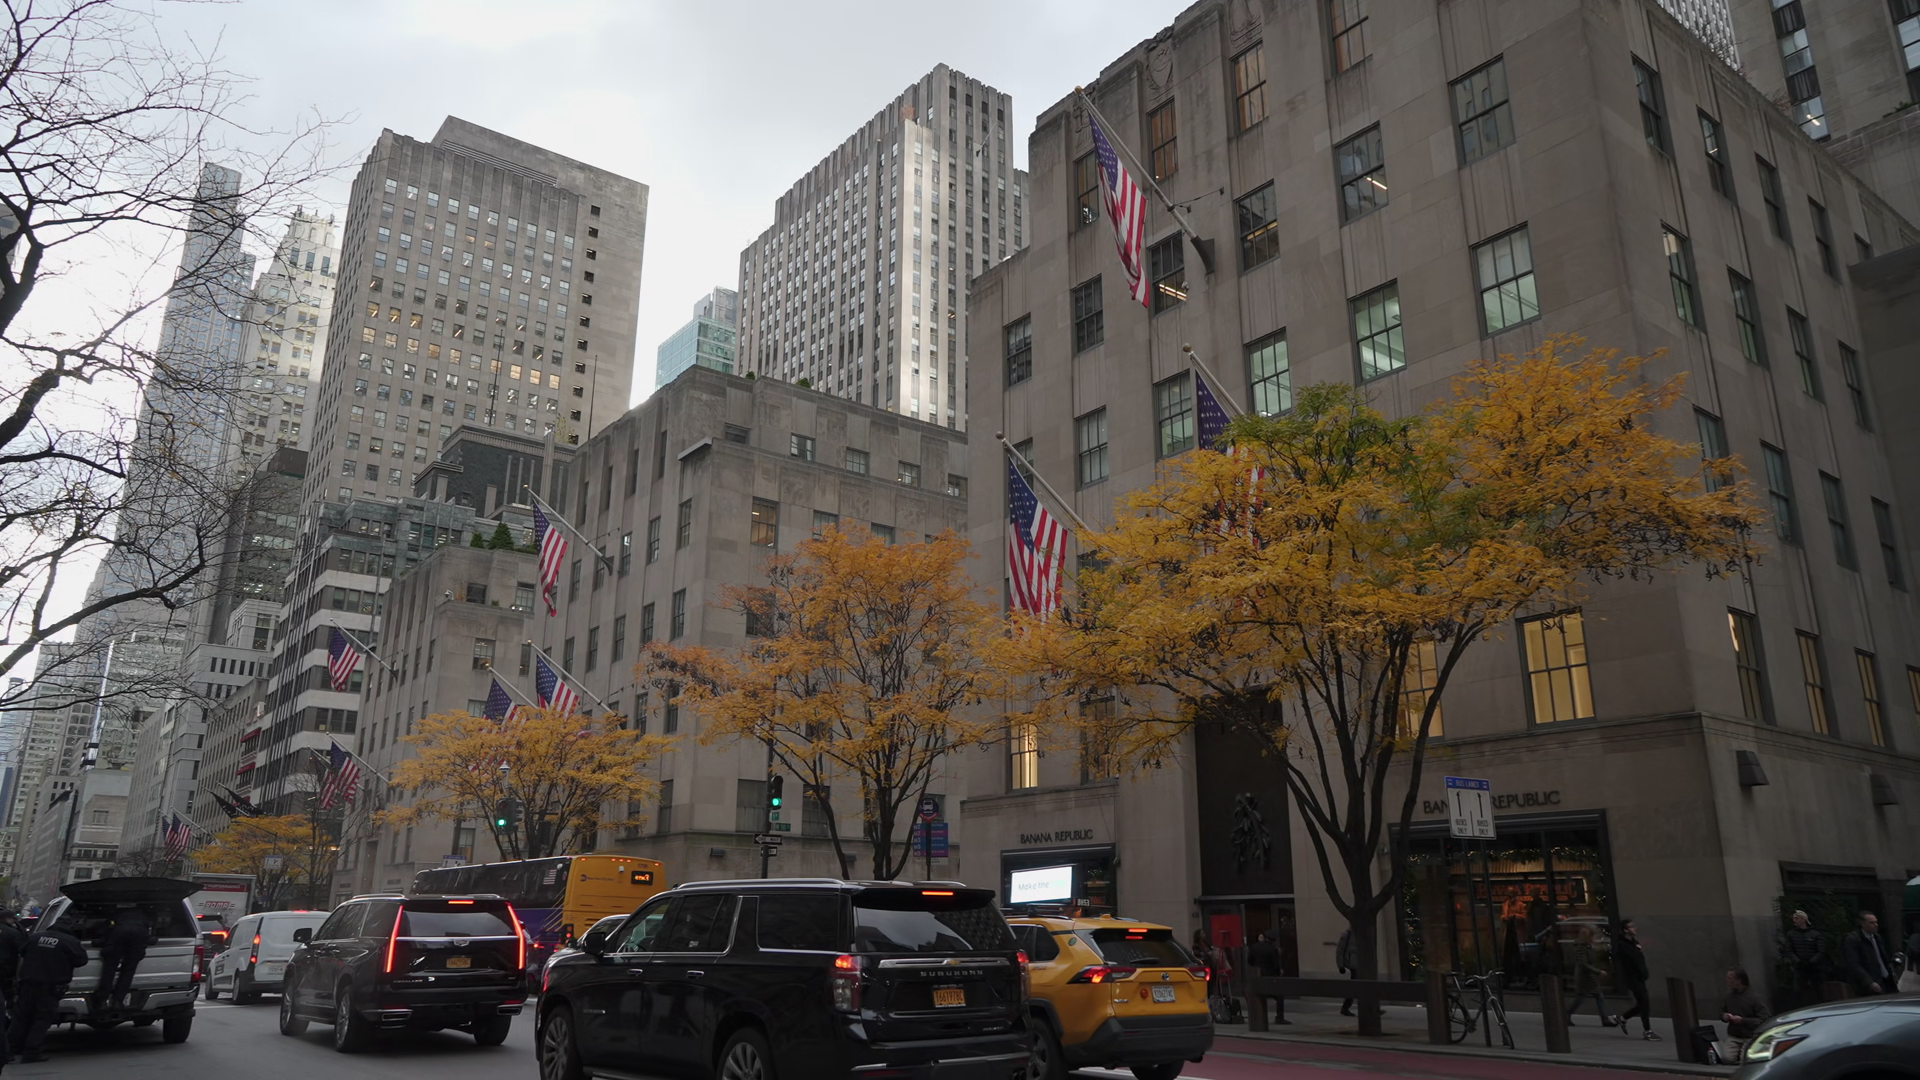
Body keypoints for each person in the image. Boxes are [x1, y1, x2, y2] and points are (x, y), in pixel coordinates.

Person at [9, 918, 86, 1064]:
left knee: (20, 1018)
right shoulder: (70, 941)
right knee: (42, 1018)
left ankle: (8, 1051)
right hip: (50, 986)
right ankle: (32, 1052)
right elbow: (81, 960)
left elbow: (22, 951)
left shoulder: (35, 938)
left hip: (28, 984)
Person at [1607, 918, 1660, 1041]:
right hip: (1632, 978)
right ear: (1625, 930)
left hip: (1639, 977)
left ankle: (1622, 1018)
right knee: (1644, 1003)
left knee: (1643, 1003)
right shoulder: (1623, 945)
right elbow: (1631, 959)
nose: (1634, 928)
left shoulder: (1633, 942)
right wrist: (1637, 950)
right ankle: (1647, 1031)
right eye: (1631, 927)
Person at [93, 906, 150, 1012]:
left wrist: (102, 942)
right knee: (128, 970)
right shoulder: (144, 916)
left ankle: (102, 1001)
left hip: (119, 933)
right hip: (139, 934)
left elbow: (105, 931)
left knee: (109, 969)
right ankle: (118, 1001)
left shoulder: (116, 915)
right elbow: (148, 936)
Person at [1562, 923, 1614, 1026]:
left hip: (1589, 977)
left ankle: (1605, 1019)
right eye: (1591, 935)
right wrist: (1598, 971)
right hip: (1584, 977)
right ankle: (1566, 1015)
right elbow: (1583, 963)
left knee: (1598, 997)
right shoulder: (1581, 947)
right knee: (1580, 998)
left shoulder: (1587, 946)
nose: (1593, 938)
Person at [1719, 968, 1772, 1064]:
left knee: (1746, 1059)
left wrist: (1742, 1020)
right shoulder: (1729, 997)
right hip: (1735, 1036)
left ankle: (1744, 1054)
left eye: (1730, 978)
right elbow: (1722, 1011)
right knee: (1726, 1058)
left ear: (1739, 980)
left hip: (1749, 1035)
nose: (1728, 981)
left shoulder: (1754, 997)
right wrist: (1724, 1016)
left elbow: (1764, 1019)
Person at [1781, 910, 1830, 1006]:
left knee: (1819, 990)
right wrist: (1798, 961)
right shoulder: (1791, 934)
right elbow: (1789, 950)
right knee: (1798, 990)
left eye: (1797, 918)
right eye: (1794, 918)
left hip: (1815, 968)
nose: (1794, 921)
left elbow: (1821, 950)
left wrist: (1812, 961)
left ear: (1803, 919)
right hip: (1799, 967)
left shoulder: (1815, 934)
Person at [1839, 911, 1893, 996]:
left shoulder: (1877, 938)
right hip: (1868, 982)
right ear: (1862, 923)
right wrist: (1869, 982)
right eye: (1871, 923)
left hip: (1884, 978)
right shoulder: (1853, 939)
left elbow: (1882, 958)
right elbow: (1853, 964)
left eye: (1876, 922)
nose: (1875, 925)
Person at [1246, 931, 1283, 1024]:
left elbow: (1250, 961)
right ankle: (1279, 1017)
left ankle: (1257, 1017)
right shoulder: (1273, 949)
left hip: (1257, 977)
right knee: (1279, 996)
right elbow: (1276, 966)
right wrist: (1278, 973)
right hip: (1269, 977)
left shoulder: (1254, 947)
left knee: (1258, 996)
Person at [1335, 927, 1358, 1016]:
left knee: (1362, 985)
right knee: (1355, 986)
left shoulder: (1362, 935)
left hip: (1360, 963)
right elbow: (1340, 950)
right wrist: (1340, 966)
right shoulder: (1348, 934)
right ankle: (1345, 1007)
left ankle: (1372, 1007)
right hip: (1353, 964)